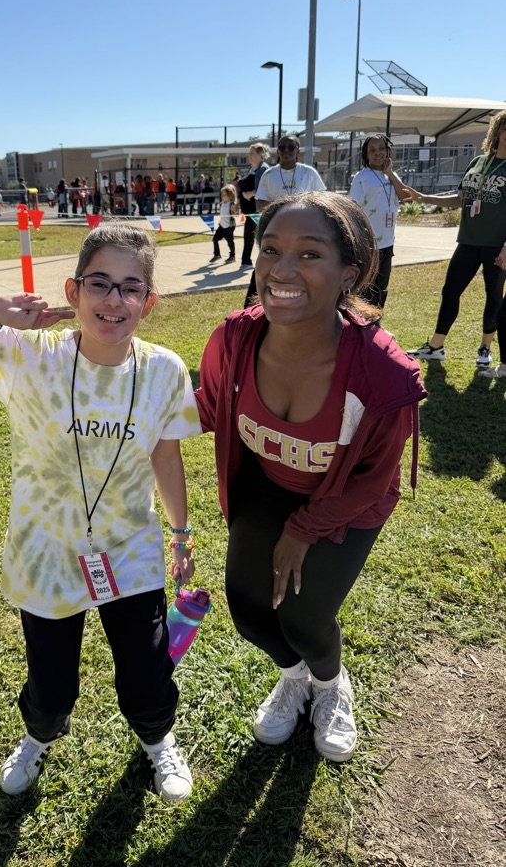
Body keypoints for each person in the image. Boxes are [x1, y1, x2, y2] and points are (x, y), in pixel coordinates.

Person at [0, 224, 201, 803]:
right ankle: (38, 738)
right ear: (73, 291)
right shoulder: (29, 356)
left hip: (129, 550)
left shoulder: (165, 369)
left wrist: (181, 531)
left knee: (145, 675)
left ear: (149, 301)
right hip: (45, 554)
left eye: (130, 287)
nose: (113, 300)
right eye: (100, 284)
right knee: (51, 687)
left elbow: (167, 454)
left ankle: (158, 739)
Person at [195, 192, 426, 763]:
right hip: (266, 487)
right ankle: (296, 676)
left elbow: (374, 480)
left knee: (302, 614)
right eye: (271, 249)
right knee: (249, 607)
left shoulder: (381, 371)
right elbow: (206, 406)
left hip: (345, 503)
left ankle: (329, 685)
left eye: (309, 254)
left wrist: (303, 530)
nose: (282, 269)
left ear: (349, 273)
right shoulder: (235, 339)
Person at [407, 110, 506, 376]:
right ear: (497, 131)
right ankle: (436, 346)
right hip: (468, 241)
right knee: (450, 290)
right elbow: (460, 199)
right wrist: (423, 198)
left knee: (493, 296)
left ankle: (485, 348)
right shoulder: (478, 161)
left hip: (497, 245)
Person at [243, 136, 327, 307]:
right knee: (266, 268)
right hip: (277, 233)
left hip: (305, 233)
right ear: (277, 151)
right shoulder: (269, 174)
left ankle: (303, 304)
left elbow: (323, 200)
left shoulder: (309, 173)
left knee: (301, 269)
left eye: (291, 147)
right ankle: (251, 309)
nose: (286, 151)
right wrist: (286, 209)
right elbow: (260, 202)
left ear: (298, 151)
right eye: (282, 147)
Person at [348, 134, 411, 309]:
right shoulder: (362, 177)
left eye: (382, 148)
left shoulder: (391, 175)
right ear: (366, 155)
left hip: (388, 241)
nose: (378, 153)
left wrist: (389, 172)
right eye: (372, 150)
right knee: (365, 289)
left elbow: (405, 196)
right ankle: (361, 326)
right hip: (368, 243)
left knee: (382, 288)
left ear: (388, 150)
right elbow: (354, 208)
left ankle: (376, 325)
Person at [238, 143, 270, 269]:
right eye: (248, 153)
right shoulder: (252, 169)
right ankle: (247, 261)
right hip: (249, 210)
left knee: (255, 236)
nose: (249, 156)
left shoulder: (263, 170)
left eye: (252, 153)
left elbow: (266, 189)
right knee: (251, 235)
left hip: (257, 210)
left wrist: (252, 193)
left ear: (261, 155)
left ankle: (247, 262)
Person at [209, 184, 238, 264]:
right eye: (222, 195)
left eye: (225, 195)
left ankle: (232, 256)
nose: (223, 197)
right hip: (222, 225)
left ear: (230, 195)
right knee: (215, 239)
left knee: (230, 241)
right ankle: (217, 254)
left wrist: (235, 211)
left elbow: (236, 213)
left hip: (229, 226)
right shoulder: (222, 203)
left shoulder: (231, 204)